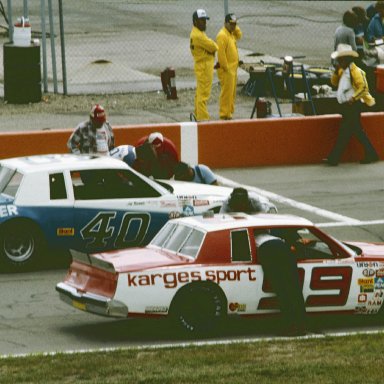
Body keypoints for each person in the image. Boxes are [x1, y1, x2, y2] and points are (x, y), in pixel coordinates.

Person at [323, 44, 379, 166]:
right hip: (347, 107)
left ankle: (334, 158)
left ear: (346, 60)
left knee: (345, 133)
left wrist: (353, 98)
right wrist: (337, 72)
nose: (338, 62)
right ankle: (371, 153)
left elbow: (363, 87)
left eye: (340, 60)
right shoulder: (343, 71)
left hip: (352, 106)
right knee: (355, 131)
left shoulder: (355, 71)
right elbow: (334, 83)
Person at [255, 231, 307, 336]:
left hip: (267, 249)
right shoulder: (270, 232)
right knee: (294, 288)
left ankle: (289, 327)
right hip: (282, 246)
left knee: (282, 289)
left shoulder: (254, 235)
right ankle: (301, 326)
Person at [190, 9, 218, 121]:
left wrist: (211, 50)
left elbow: (211, 46)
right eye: (202, 20)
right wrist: (211, 50)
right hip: (204, 67)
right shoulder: (199, 36)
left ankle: (198, 115)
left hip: (202, 65)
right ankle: (203, 120)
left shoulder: (197, 32)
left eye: (205, 20)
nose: (205, 23)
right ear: (195, 21)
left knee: (200, 93)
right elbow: (214, 47)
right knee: (203, 95)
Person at [216, 13, 242, 120]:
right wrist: (226, 68)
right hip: (227, 69)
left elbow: (239, 35)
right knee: (227, 93)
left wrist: (235, 27)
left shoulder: (231, 33)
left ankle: (229, 112)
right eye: (231, 24)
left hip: (233, 68)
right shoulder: (222, 35)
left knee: (232, 92)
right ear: (225, 23)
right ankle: (224, 114)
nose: (233, 26)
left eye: (235, 24)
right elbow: (221, 54)